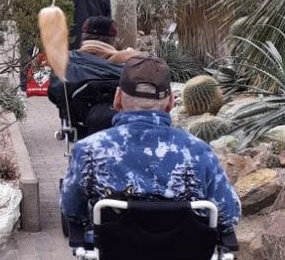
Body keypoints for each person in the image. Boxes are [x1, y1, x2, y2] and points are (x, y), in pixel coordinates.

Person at [60, 55, 241, 231]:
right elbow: (229, 216)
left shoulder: (88, 150)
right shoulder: (199, 151)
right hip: (185, 251)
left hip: (113, 251)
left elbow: (72, 211)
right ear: (171, 102)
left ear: (117, 98)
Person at [47, 16, 137, 136]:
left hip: (80, 129)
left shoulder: (66, 62)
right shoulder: (132, 63)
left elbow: (54, 94)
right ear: (114, 40)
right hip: (124, 128)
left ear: (83, 37)